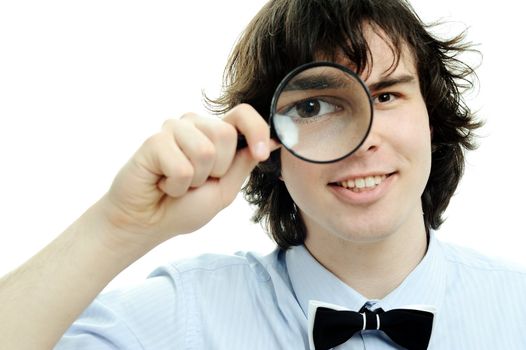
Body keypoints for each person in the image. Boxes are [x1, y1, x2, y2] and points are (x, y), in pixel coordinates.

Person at [1, 0, 526, 349]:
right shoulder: (186, 312)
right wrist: (118, 226)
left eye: (387, 95)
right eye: (317, 105)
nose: (366, 139)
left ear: (432, 116)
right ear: (267, 142)